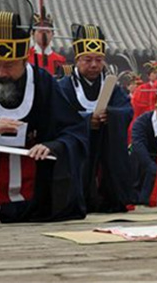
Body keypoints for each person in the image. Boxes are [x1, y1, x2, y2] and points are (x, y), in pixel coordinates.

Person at [0, 0, 86, 224]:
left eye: (9, 65)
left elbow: (74, 131)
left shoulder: (43, 83)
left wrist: (52, 145)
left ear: (25, 58)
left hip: (32, 200)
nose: (1, 73)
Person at [59, 23, 134, 212]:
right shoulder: (64, 86)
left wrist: (112, 116)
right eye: (87, 59)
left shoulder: (112, 86)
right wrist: (85, 121)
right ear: (77, 60)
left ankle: (109, 198)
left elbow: (126, 110)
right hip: (78, 146)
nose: (94, 65)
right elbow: (57, 117)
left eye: (99, 59)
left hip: (104, 142)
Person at [28, 11, 66, 75]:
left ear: (53, 34)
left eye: (47, 32)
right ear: (32, 33)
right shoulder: (25, 58)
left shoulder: (60, 60)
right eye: (40, 31)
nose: (44, 35)